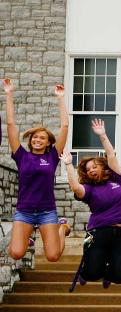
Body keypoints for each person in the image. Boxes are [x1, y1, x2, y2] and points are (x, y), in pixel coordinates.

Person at [3, 78, 70, 262]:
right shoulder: (21, 155)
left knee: (53, 256)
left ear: (48, 142)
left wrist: (61, 98)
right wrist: (8, 94)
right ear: (30, 140)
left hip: (47, 211)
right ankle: (28, 238)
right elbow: (10, 125)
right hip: (24, 211)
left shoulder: (52, 157)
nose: (37, 140)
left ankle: (62, 228)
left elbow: (65, 127)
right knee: (16, 253)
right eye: (34, 137)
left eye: (42, 138)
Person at [61, 119, 121, 288]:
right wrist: (69, 165)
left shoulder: (117, 179)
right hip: (98, 232)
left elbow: (112, 155)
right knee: (93, 273)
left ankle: (108, 273)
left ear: (102, 166)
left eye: (94, 166)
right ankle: (86, 272)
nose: (92, 170)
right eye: (88, 169)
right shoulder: (89, 189)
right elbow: (76, 188)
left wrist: (102, 136)